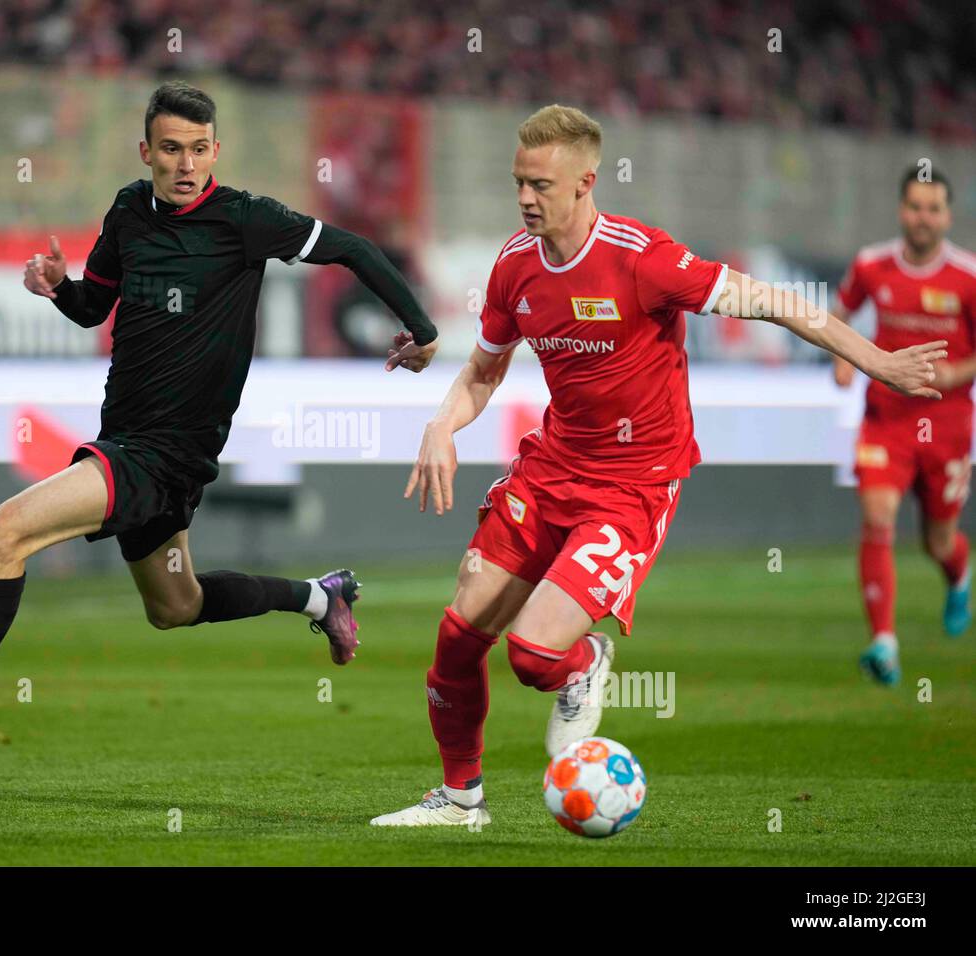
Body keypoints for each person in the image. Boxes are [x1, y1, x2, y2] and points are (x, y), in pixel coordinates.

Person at [371, 104, 944, 827]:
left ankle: (583, 665)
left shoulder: (643, 259)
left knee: (532, 657)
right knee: (456, 638)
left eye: (540, 185)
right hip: (551, 469)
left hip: (632, 487)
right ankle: (460, 800)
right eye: (519, 181)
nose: (524, 197)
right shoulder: (515, 265)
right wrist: (441, 424)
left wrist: (876, 362)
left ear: (585, 182)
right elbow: (484, 371)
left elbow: (774, 303)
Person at [0, 80, 439, 773]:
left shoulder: (247, 220)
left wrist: (423, 331)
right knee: (176, 606)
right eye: (170, 150)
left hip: (162, 454)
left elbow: (356, 250)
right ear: (146, 152)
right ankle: (319, 595)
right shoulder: (129, 210)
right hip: (131, 439)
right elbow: (93, 308)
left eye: (197, 150)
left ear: (216, 151)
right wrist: (58, 288)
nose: (185, 165)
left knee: (0, 534)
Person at [831, 169, 976, 686]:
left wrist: (958, 372)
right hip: (886, 420)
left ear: (947, 215)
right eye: (915, 207)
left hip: (947, 424)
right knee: (876, 516)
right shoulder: (872, 265)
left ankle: (959, 575)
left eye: (933, 208)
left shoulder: (967, 276)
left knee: (938, 541)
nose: (923, 218)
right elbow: (841, 311)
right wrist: (844, 358)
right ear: (901, 210)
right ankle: (884, 642)